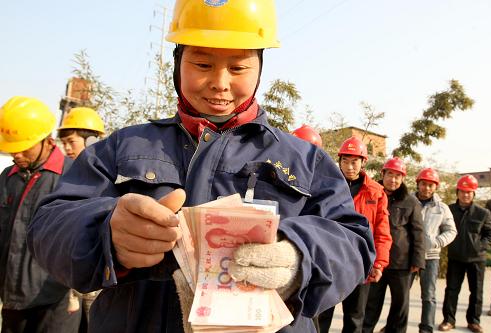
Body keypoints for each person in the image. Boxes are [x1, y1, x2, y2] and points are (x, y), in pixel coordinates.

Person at [27, 1, 376, 332]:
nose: (220, 83)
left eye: (238, 67)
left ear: (260, 68)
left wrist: (298, 258)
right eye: (203, 64)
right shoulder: (123, 147)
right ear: (177, 63)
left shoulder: (306, 160)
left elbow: (354, 242)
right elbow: (49, 224)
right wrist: (105, 232)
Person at [0, 96, 80, 332]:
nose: (17, 155)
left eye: (23, 148)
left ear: (47, 140)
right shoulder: (7, 177)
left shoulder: (74, 176)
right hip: (12, 299)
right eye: (12, 149)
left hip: (56, 302)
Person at [315, 137, 392, 333]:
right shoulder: (326, 186)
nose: (349, 166)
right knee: (321, 315)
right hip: (330, 261)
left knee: (355, 318)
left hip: (360, 262)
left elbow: (382, 231)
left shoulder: (376, 192)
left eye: (354, 161)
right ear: (339, 161)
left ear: (363, 162)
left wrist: (379, 263)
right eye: (345, 161)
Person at [362, 157, 425, 333]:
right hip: (376, 262)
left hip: (402, 263)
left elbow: (419, 233)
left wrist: (417, 261)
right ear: (383, 174)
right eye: (390, 174)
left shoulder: (411, 202)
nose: (393, 180)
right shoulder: (372, 194)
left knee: (400, 305)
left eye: (398, 176)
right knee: (371, 304)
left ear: (403, 178)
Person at [57, 106, 105, 330]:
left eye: (71, 142)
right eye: (64, 143)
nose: (66, 148)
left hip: (99, 281)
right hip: (71, 280)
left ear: (92, 139)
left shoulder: (109, 177)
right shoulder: (68, 177)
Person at [438, 175, 491, 333]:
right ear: (457, 192)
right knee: (451, 290)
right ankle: (448, 320)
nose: (465, 195)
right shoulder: (449, 210)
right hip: (455, 257)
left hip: (476, 260)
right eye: (462, 191)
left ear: (473, 194)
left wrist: (479, 246)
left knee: (476, 292)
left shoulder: (482, 213)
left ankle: (474, 321)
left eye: (469, 192)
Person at [413, 168, 457, 333]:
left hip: (431, 257)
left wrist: (436, 242)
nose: (427, 188)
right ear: (418, 184)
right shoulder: (409, 201)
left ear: (435, 187)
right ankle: (394, 324)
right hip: (409, 255)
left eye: (431, 185)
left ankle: (426, 328)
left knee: (429, 296)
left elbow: (451, 231)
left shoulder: (442, 208)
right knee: (401, 295)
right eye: (424, 184)